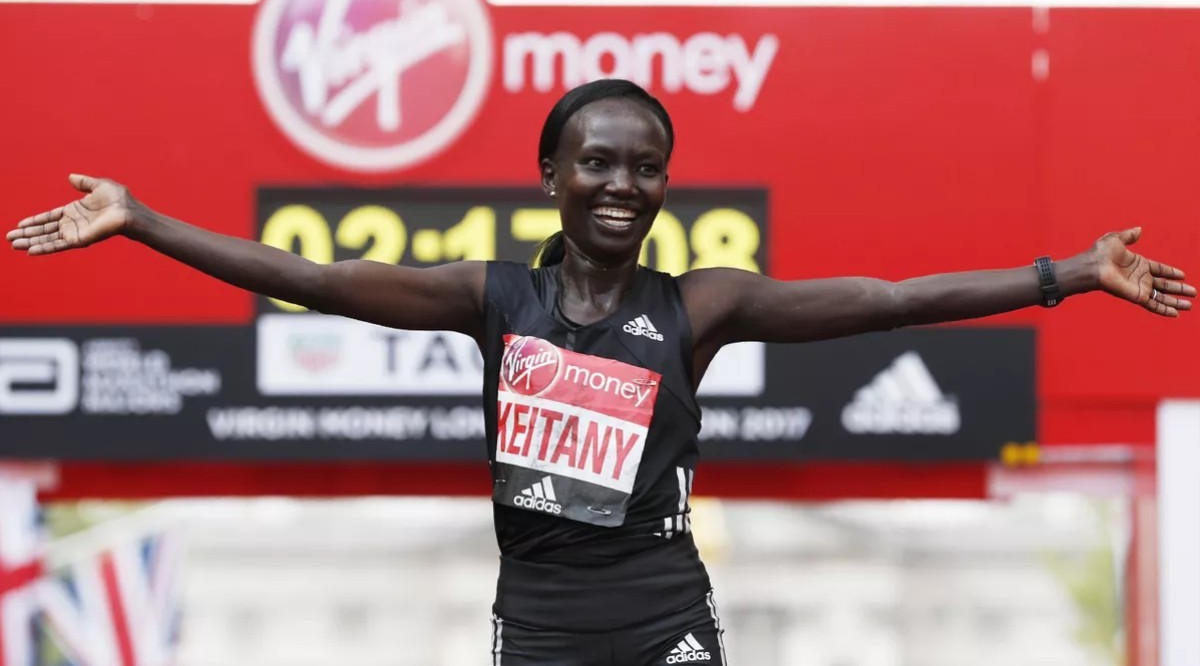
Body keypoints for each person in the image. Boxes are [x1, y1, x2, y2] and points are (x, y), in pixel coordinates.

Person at [7, 78, 1194, 665]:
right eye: (598, 162)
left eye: (647, 167)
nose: (624, 184)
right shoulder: (492, 297)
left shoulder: (700, 304)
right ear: (551, 175)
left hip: (666, 614)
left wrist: (1069, 272)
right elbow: (310, 275)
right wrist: (142, 219)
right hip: (538, 625)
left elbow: (891, 301)